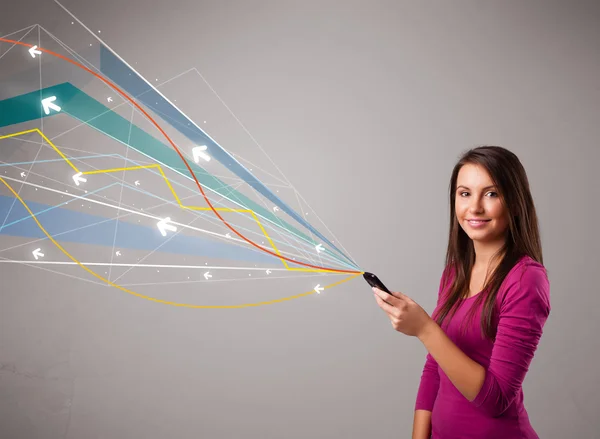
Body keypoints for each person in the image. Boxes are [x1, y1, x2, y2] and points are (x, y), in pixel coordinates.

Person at [372, 146, 551, 439]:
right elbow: (435, 368)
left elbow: (496, 399)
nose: (475, 208)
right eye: (464, 193)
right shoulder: (454, 273)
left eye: (491, 194)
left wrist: (424, 329)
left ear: (515, 202)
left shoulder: (525, 280)